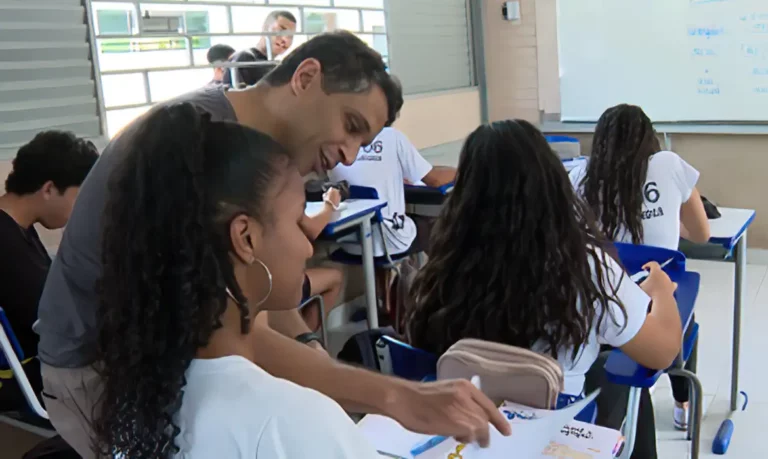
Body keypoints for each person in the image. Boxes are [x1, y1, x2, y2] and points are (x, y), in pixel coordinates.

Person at [35, 31, 509, 458]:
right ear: (305, 76)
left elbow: (253, 294)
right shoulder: (197, 149)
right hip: (97, 371)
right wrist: (386, 396)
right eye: (351, 124)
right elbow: (232, 321)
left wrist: (313, 357)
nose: (348, 154)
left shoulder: (243, 157)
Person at [93, 104, 380, 457]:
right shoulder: (292, 421)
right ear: (245, 238)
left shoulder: (140, 404)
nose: (308, 245)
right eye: (296, 220)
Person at [405, 120, 683, 458]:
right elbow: (663, 352)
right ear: (551, 183)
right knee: (620, 379)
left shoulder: (444, 258)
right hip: (554, 430)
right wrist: (662, 292)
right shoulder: (585, 265)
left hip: (466, 427)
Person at [570, 103, 710, 431]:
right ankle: (683, 404)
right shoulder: (668, 164)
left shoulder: (580, 175)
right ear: (648, 137)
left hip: (597, 307)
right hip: (656, 300)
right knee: (685, 320)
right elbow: (702, 234)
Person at [0, 131, 97, 412]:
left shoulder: (18, 228)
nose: (81, 211)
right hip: (33, 379)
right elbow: (54, 322)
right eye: (80, 198)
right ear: (49, 189)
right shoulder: (6, 242)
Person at [329, 126, 456, 257]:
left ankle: (402, 273)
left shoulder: (332, 141)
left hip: (349, 243)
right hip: (389, 241)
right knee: (443, 227)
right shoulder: (392, 136)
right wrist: (466, 169)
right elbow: (435, 180)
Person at [299, 187, 345, 332]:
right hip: (277, 281)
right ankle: (305, 338)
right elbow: (312, 229)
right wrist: (330, 204)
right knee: (335, 277)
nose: (309, 252)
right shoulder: (279, 192)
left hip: (272, 279)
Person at [224, 10, 297, 87]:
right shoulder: (245, 58)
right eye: (281, 30)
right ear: (265, 28)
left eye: (290, 36)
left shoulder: (280, 66)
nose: (285, 39)